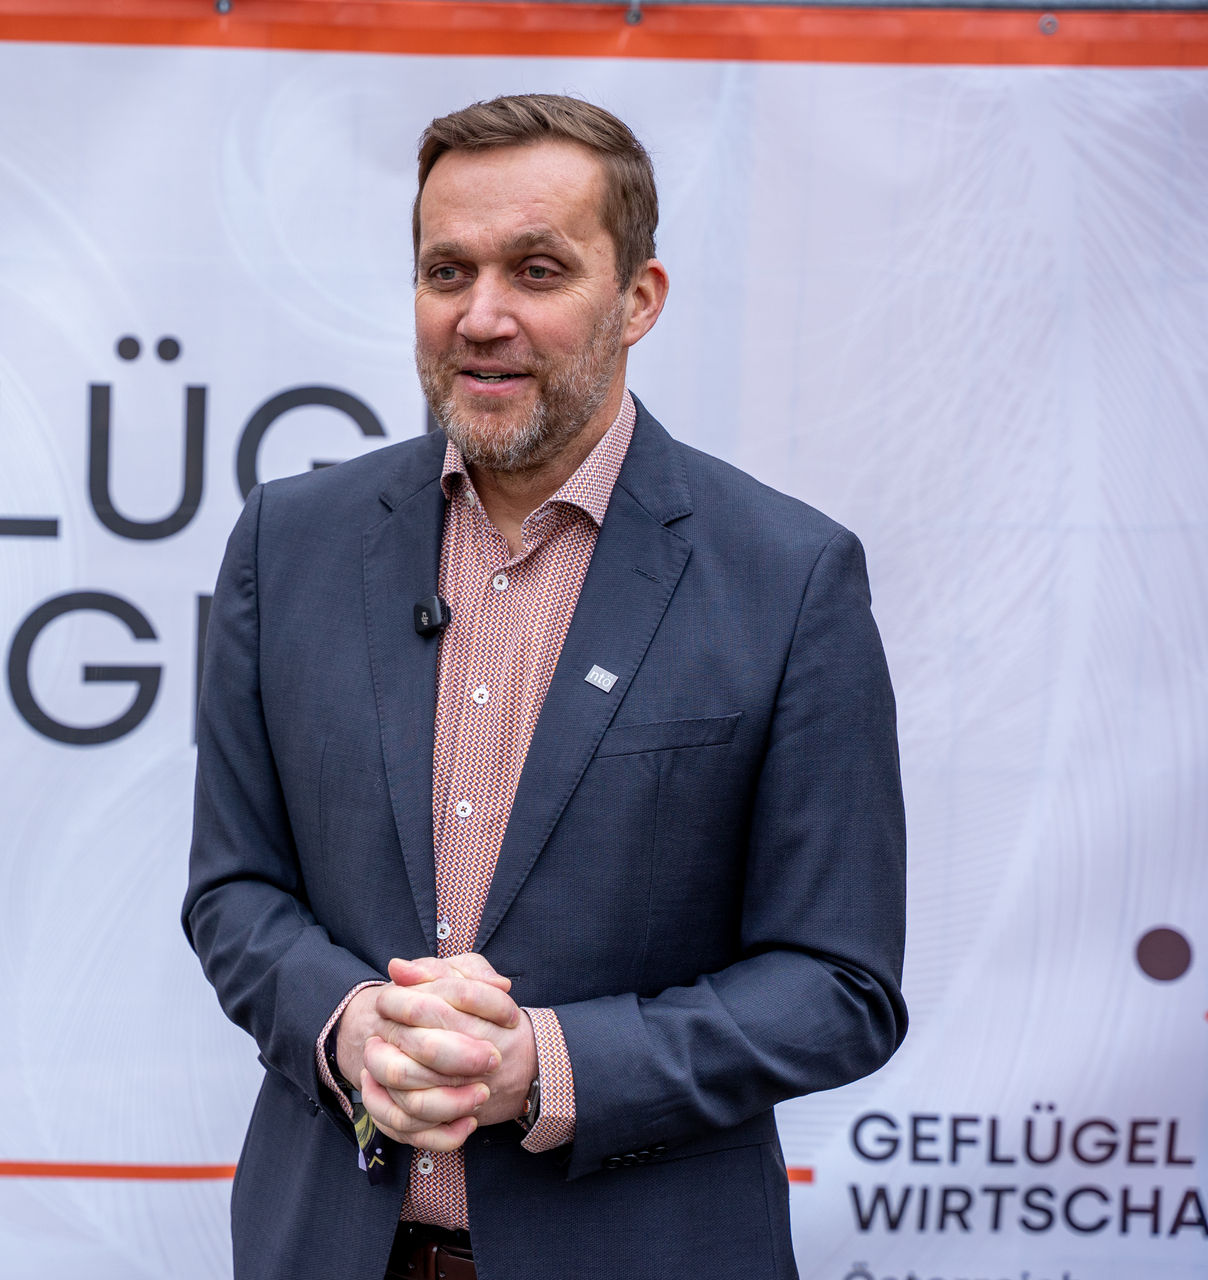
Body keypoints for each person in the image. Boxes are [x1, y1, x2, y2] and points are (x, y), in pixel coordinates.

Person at [183, 93, 906, 1280]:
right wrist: (348, 1023)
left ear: (639, 299)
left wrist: (549, 1065)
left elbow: (839, 983)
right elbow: (234, 888)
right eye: (446, 271)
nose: (481, 316)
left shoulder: (787, 577)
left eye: (537, 269)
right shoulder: (290, 542)